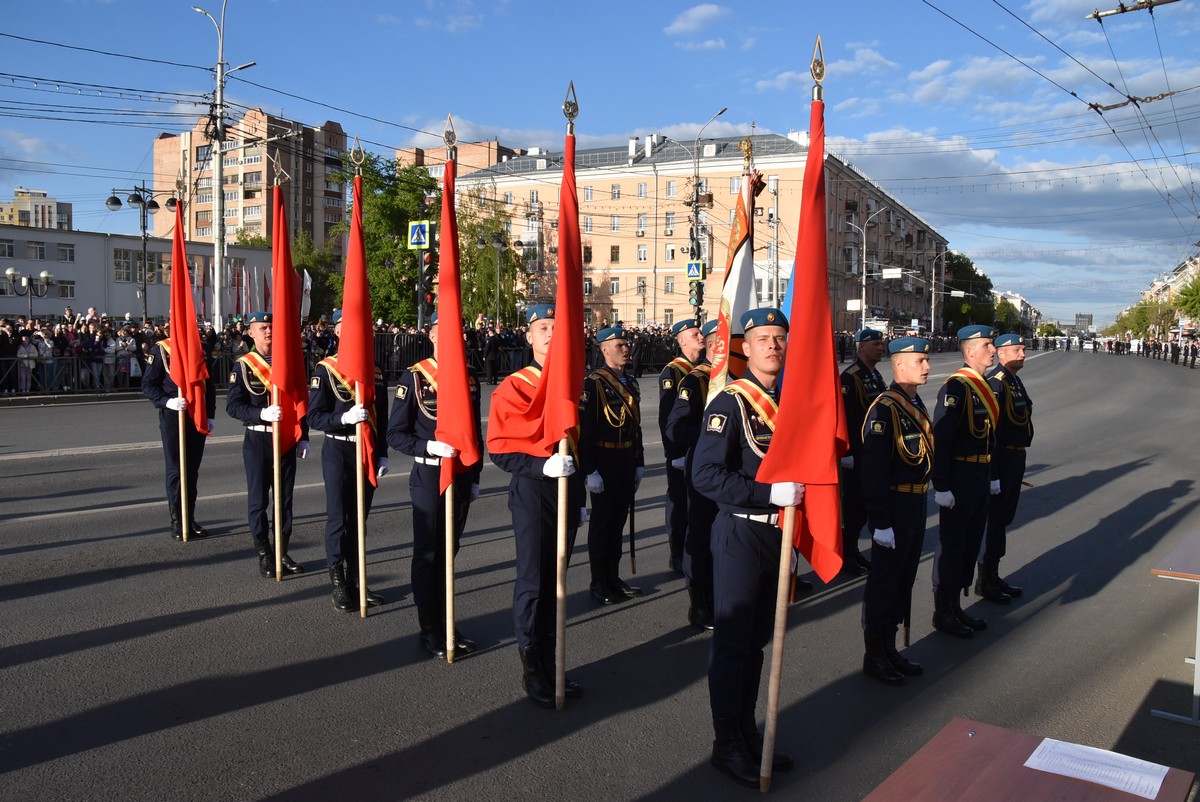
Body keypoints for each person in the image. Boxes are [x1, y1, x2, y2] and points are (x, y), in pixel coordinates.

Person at [692, 307, 799, 788]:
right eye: (763, 338)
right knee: (733, 643)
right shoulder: (730, 403)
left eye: (780, 337)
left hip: (778, 531)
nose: (773, 345)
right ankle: (725, 742)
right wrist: (765, 494)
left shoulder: (792, 400)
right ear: (746, 347)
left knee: (757, 640)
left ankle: (746, 730)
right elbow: (705, 475)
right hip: (740, 530)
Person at [488, 304, 585, 708]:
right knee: (534, 580)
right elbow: (500, 449)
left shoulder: (569, 384)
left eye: (556, 327)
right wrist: (542, 465)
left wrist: (582, 486)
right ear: (528, 336)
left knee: (557, 578)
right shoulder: (513, 386)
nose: (550, 333)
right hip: (533, 489)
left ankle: (551, 658)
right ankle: (532, 666)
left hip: (567, 486)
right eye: (542, 327)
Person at [385, 311, 483, 659]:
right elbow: (395, 433)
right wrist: (428, 446)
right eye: (446, 331)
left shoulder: (469, 377)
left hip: (459, 474)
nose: (454, 337)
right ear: (432, 335)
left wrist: (475, 476)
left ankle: (447, 622)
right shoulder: (414, 378)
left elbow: (475, 433)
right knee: (428, 555)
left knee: (449, 552)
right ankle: (429, 628)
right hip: (429, 475)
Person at [859, 337, 934, 686]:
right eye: (920, 360)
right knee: (884, 582)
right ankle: (874, 654)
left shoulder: (913, 403)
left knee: (903, 578)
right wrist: (880, 521)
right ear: (900, 364)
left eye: (927, 360)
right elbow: (873, 472)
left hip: (916, 503)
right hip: (894, 505)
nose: (927, 366)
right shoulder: (885, 409)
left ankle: (890, 648)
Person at [307, 309, 390, 613]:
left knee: (359, 520)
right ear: (338, 331)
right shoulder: (326, 370)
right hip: (339, 450)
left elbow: (382, 414)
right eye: (348, 327)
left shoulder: (374, 370)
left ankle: (358, 579)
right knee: (339, 519)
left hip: (365, 450)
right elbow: (314, 417)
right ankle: (338, 581)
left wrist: (381, 452)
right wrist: (344, 417)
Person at [225, 311, 310, 579]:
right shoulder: (243, 365)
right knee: (258, 500)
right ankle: (264, 553)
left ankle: (282, 551)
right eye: (262, 327)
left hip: (284, 437)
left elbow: (298, 400)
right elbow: (233, 406)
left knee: (284, 501)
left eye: (271, 326)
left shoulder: (288, 362)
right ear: (251, 333)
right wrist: (260, 414)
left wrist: (303, 435)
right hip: (258, 438)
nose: (268, 331)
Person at [930, 324, 997, 639]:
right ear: (970, 351)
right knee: (953, 545)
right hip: (959, 478)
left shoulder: (983, 386)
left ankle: (956, 606)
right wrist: (941, 485)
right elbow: (942, 440)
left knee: (970, 544)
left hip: (979, 476)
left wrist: (991, 475)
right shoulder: (957, 388)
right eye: (987, 345)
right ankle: (943, 611)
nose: (993, 350)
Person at [579, 325, 645, 606]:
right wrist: (589, 470)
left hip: (625, 459)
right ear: (604, 349)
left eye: (626, 343)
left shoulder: (631, 383)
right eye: (619, 345)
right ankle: (598, 581)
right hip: (603, 461)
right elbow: (584, 432)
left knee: (619, 520)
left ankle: (614, 576)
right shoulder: (592, 384)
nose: (626, 348)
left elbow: (636, 428)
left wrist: (639, 462)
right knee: (603, 524)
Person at [666, 319, 720, 630]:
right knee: (700, 535)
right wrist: (708, 441)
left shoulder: (737, 380)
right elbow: (675, 426)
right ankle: (699, 602)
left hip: (733, 473)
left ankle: (720, 594)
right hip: (703, 469)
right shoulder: (695, 380)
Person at [142, 320, 216, 540]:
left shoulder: (201, 349)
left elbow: (208, 386)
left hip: (196, 414)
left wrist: (210, 414)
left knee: (192, 470)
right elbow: (148, 384)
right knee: (176, 469)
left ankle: (189, 518)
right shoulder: (161, 349)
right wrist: (167, 401)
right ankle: (177, 521)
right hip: (173, 414)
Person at [978, 333, 1033, 604]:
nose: (1023, 353)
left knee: (1003, 520)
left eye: (1023, 349)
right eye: (1017, 349)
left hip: (1016, 459)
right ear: (1001, 354)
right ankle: (985, 580)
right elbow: (992, 436)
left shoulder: (1014, 381)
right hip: (1002, 461)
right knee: (994, 523)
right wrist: (994, 474)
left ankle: (994, 575)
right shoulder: (996, 384)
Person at [839, 328, 887, 576]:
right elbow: (843, 418)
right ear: (861, 348)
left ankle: (854, 550)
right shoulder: (850, 377)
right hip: (856, 455)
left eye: (881, 343)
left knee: (864, 507)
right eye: (876, 344)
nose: (881, 347)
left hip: (872, 453)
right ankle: (845, 554)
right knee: (854, 506)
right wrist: (846, 451)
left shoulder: (875, 375)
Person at [659, 318, 704, 574]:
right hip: (681, 450)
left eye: (700, 332)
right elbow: (667, 417)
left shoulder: (703, 369)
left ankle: (691, 550)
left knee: (694, 503)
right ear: (681, 340)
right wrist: (674, 453)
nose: (700, 337)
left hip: (698, 447)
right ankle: (677, 553)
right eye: (695, 333)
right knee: (678, 502)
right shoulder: (673, 372)